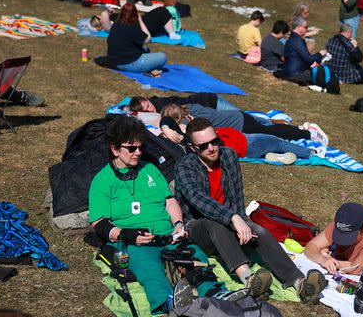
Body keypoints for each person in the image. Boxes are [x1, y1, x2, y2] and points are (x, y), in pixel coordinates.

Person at [89, 116, 242, 315]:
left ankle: (214, 291)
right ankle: (168, 301)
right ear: (115, 149)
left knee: (194, 254)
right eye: (131, 148)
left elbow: (169, 201)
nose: (138, 153)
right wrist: (127, 235)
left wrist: (178, 223)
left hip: (167, 233)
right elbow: (99, 223)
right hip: (134, 241)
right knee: (148, 268)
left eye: (141, 147)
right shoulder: (102, 181)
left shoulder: (150, 169)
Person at [174, 117, 328, 303]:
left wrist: (243, 222)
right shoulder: (184, 167)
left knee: (259, 231)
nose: (211, 148)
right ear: (192, 147)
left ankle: (300, 282)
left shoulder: (228, 156)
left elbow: (237, 197)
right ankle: (249, 279)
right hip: (198, 229)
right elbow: (199, 201)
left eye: (214, 141)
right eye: (203, 146)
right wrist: (233, 218)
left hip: (229, 222)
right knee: (213, 222)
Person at [129, 95, 329, 145]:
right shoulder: (191, 107)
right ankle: (301, 128)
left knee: (271, 133)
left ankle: (309, 134)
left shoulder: (195, 123)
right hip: (238, 117)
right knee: (266, 125)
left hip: (240, 123)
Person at [158, 104, 316, 164]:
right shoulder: (194, 132)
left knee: (270, 137)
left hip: (243, 139)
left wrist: (166, 128)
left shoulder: (192, 134)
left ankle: (272, 154)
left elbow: (166, 121)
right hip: (245, 142)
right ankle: (309, 152)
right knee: (278, 141)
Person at [304, 203, 363, 276]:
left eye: (350, 235)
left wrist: (334, 263)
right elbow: (311, 246)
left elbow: (357, 268)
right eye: (340, 233)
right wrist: (323, 259)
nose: (343, 241)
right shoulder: (342, 222)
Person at [106, 3, 167, 74]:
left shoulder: (115, 24)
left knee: (146, 49)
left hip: (114, 61)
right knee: (162, 57)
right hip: (129, 64)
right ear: (135, 14)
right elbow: (148, 39)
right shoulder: (133, 26)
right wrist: (140, 21)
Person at [86, 6, 180, 40]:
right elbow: (105, 17)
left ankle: (170, 30)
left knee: (159, 11)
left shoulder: (110, 21)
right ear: (99, 19)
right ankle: (172, 34)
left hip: (139, 21)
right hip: (140, 25)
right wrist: (106, 13)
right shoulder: (108, 26)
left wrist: (113, 12)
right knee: (162, 10)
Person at [281, 16, 327, 84]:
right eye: (305, 27)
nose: (306, 29)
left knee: (318, 68)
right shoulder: (297, 41)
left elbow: (306, 59)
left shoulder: (292, 38)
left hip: (289, 71)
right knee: (322, 74)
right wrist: (320, 54)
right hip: (296, 74)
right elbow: (308, 59)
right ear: (299, 27)